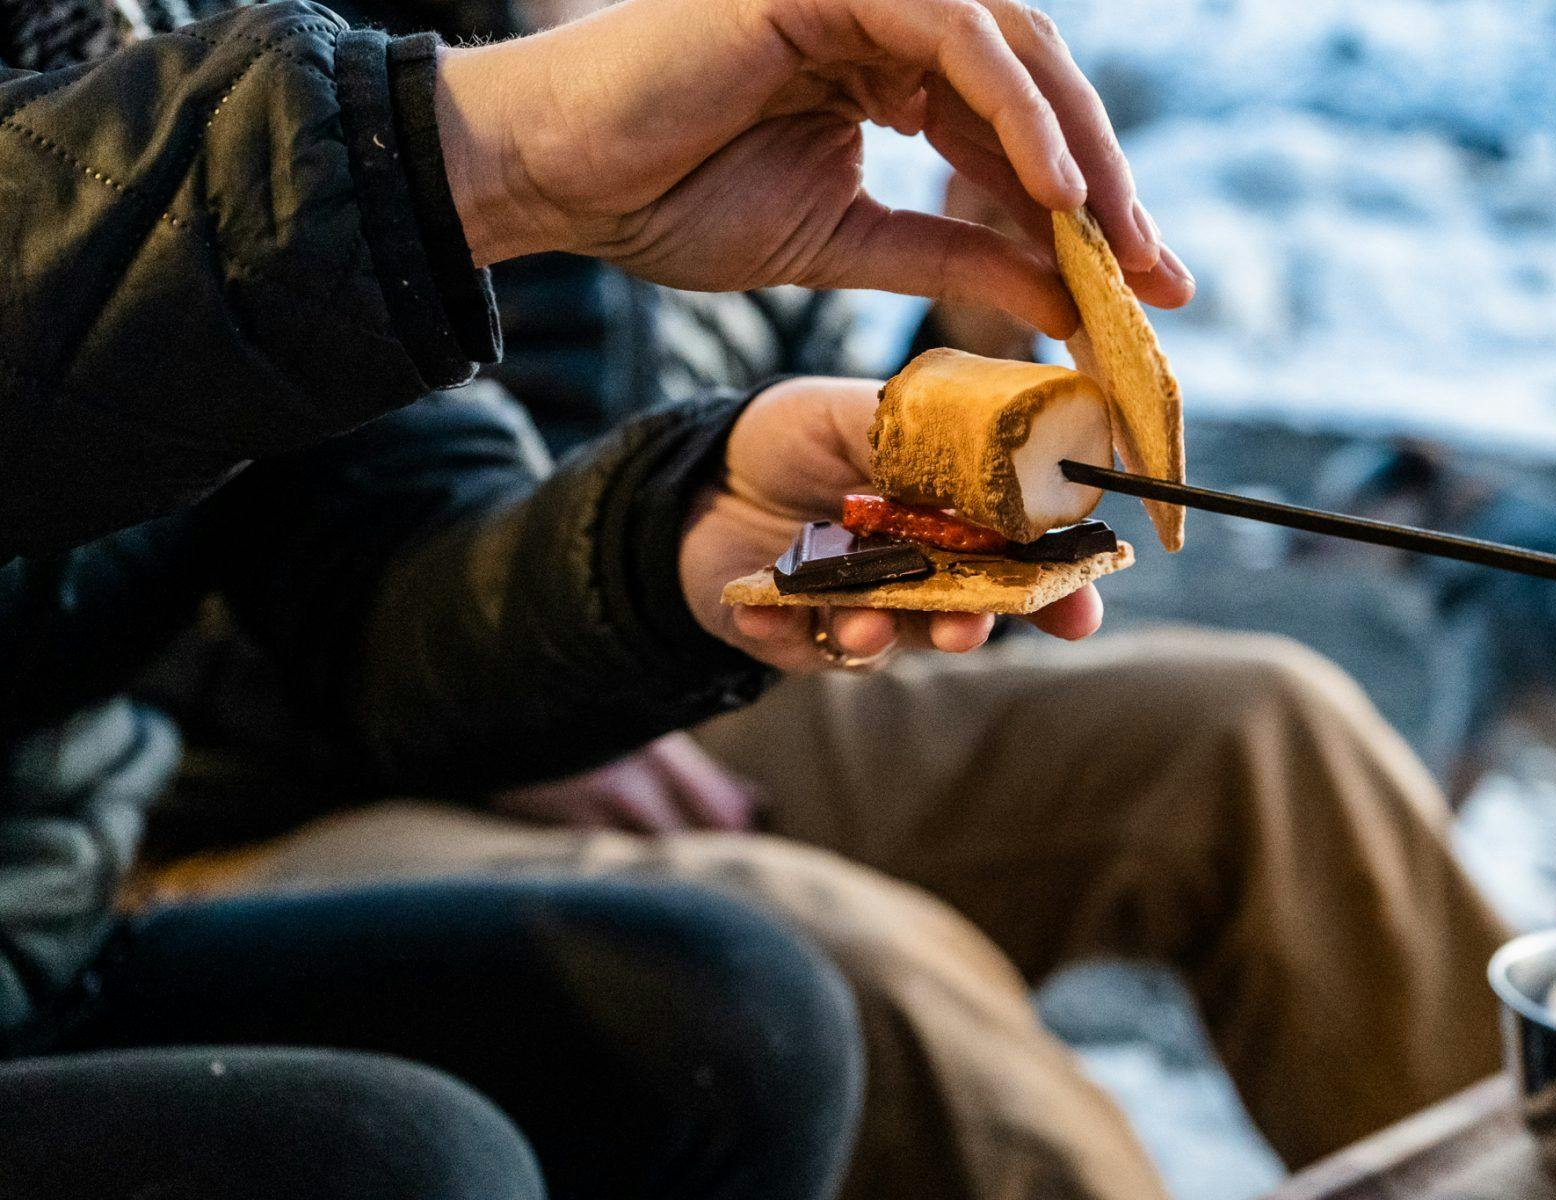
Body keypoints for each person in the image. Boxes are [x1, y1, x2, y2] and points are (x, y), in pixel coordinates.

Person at [0, 0, 1189, 1194]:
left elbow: (373, 559)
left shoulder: (149, 21)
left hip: (48, 930)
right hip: (255, 823)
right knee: (412, 1167)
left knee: (734, 1019)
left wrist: (673, 537)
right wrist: (482, 153)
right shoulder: (390, 48)